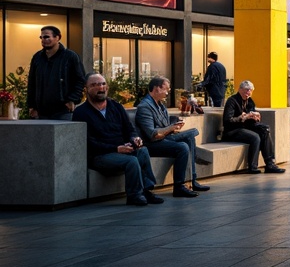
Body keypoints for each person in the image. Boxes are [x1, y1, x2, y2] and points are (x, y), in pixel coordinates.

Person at [74, 74, 161, 206]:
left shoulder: (116, 106)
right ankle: (134, 196)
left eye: (103, 84)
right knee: (131, 161)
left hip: (121, 150)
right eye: (95, 85)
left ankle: (146, 191)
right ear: (86, 89)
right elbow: (88, 142)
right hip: (100, 156)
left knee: (142, 151)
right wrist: (116, 149)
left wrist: (135, 139)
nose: (100, 87)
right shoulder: (81, 112)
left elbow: (129, 129)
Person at [136, 75, 207, 197]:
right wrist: (171, 128)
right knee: (183, 146)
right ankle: (181, 185)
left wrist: (174, 124)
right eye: (166, 89)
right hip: (151, 144)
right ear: (157, 88)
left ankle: (190, 181)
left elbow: (165, 124)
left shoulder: (160, 105)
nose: (168, 92)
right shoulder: (145, 107)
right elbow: (152, 135)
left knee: (189, 136)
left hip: (164, 139)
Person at [223, 81, 285, 173]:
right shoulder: (232, 101)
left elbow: (251, 117)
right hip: (233, 130)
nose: (248, 92)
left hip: (246, 127)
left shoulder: (250, 101)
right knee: (255, 137)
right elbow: (227, 121)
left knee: (265, 129)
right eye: (246, 90)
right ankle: (252, 167)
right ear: (240, 89)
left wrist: (255, 117)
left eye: (250, 90)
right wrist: (242, 118)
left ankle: (270, 164)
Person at [27, 25, 86, 120]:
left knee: (63, 135)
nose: (43, 39)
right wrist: (32, 105)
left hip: (63, 110)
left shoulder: (70, 56)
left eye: (46, 36)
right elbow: (32, 82)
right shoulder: (37, 57)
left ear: (57, 37)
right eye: (41, 37)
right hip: (41, 111)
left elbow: (80, 79)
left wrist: (72, 99)